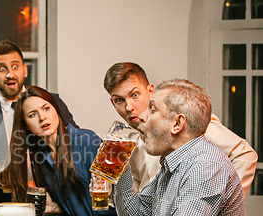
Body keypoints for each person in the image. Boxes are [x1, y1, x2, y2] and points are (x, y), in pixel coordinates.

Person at [65, 79, 249, 216]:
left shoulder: (205, 163)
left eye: (152, 109)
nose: (141, 116)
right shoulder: (171, 163)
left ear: (177, 124)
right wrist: (123, 169)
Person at [103, 62, 257, 195]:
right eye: (119, 100)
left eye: (134, 95)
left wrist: (223, 203)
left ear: (150, 91)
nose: (129, 107)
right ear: (112, 103)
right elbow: (139, 185)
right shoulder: (128, 140)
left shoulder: (182, 120)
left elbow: (244, 155)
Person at [0, 40, 77, 204]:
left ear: (25, 70)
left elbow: (74, 141)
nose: (10, 74)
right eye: (2, 69)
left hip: (56, 202)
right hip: (3, 205)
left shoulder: (51, 103)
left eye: (15, 67)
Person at [3, 86, 120, 216]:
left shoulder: (88, 140)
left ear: (56, 110)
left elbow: (116, 200)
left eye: (46, 108)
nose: (42, 117)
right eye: (32, 114)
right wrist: (55, 207)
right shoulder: (40, 158)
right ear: (26, 126)